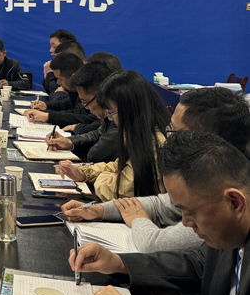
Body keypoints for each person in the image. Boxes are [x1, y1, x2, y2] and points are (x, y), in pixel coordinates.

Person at [62, 87, 250, 253]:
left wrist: (137, 219)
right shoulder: (210, 171)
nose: (168, 138)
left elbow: (155, 244)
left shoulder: (221, 198)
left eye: (175, 132)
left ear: (209, 141)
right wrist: (97, 210)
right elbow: (162, 204)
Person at [69, 132, 250, 295]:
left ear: (235, 202)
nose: (185, 222)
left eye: (191, 212)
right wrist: (118, 262)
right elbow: (198, 265)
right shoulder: (228, 234)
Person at [55, 70, 168, 201]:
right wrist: (83, 173)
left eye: (112, 113)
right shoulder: (140, 133)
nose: (112, 119)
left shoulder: (155, 143)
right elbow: (118, 166)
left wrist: (103, 178)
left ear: (130, 109)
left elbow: (119, 191)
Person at [44, 61, 118, 163]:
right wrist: (70, 142)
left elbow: (96, 154)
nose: (86, 108)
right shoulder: (109, 117)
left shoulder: (119, 118)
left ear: (101, 96)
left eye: (86, 102)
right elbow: (97, 135)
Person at [23, 52, 95, 127]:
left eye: (60, 79)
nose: (58, 82)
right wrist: (46, 106)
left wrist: (48, 116)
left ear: (73, 78)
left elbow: (79, 115)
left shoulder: (89, 91)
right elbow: (67, 103)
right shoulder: (75, 89)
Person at [42, 29, 76, 98]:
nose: (50, 50)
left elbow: (55, 94)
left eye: (54, 46)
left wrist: (49, 73)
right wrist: (47, 75)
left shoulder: (73, 67)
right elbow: (50, 92)